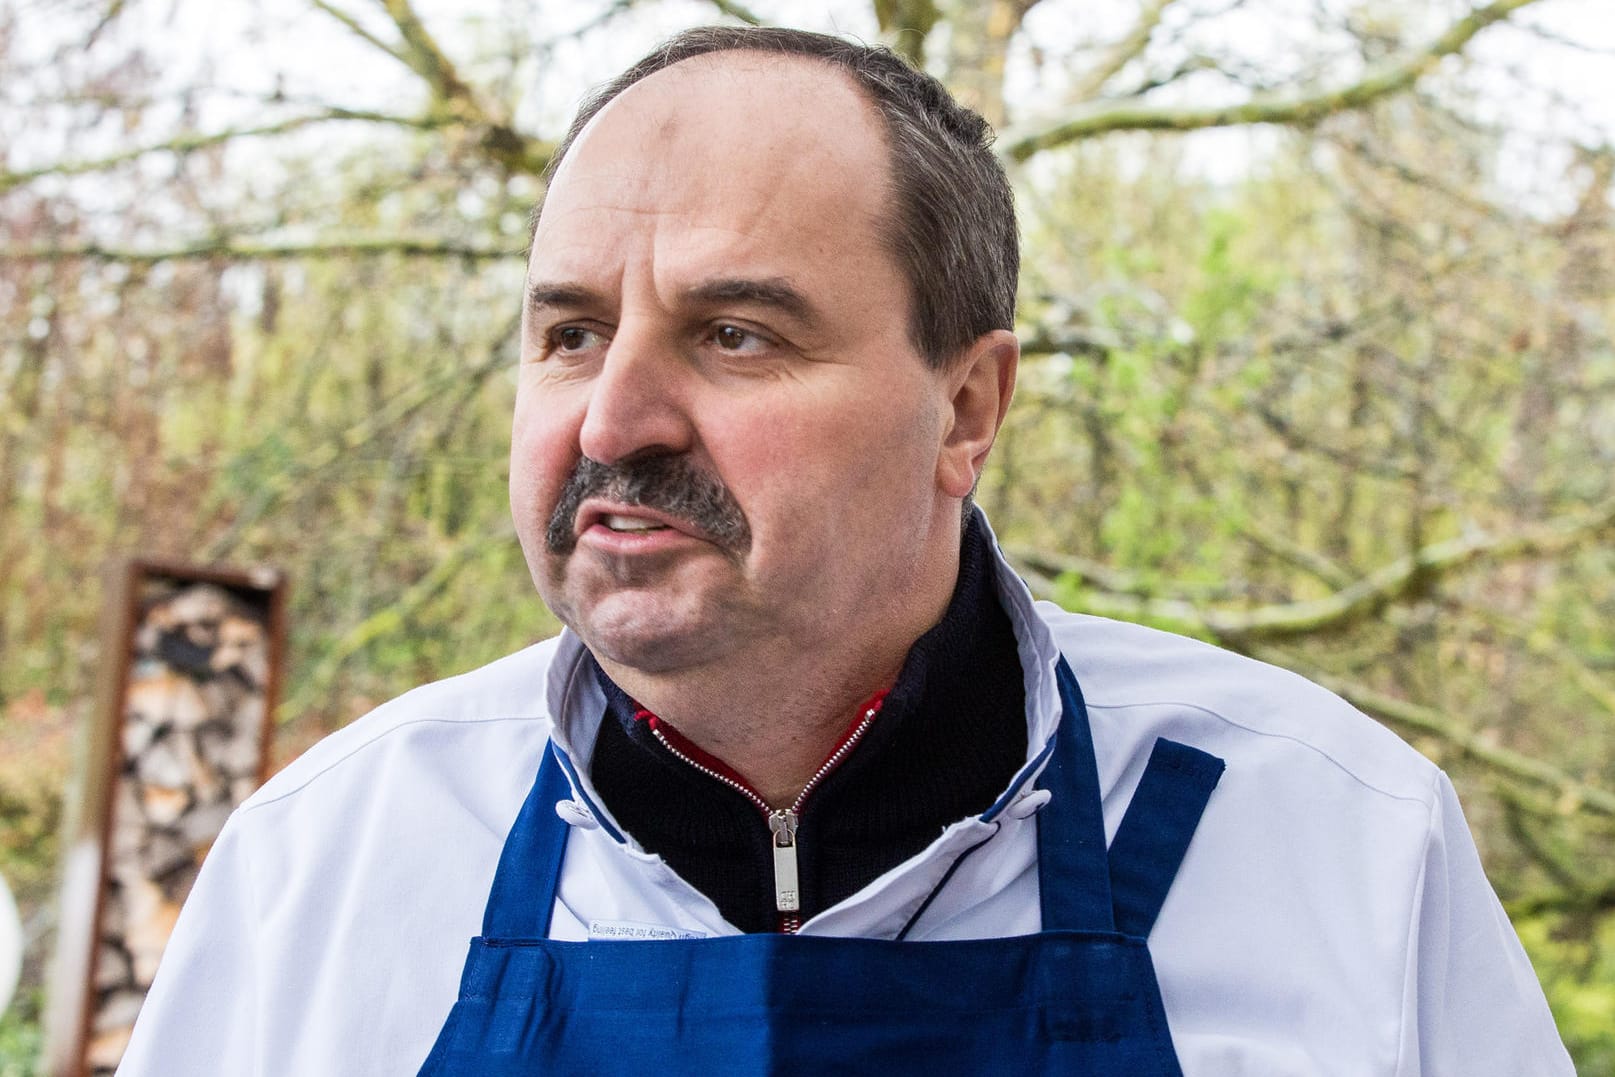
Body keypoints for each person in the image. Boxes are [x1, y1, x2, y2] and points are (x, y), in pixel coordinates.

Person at [119, 26, 1572, 1076]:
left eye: (734, 332)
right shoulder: (322, 868)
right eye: (570, 332)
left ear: (967, 404)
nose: (616, 413)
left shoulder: (1343, 846)